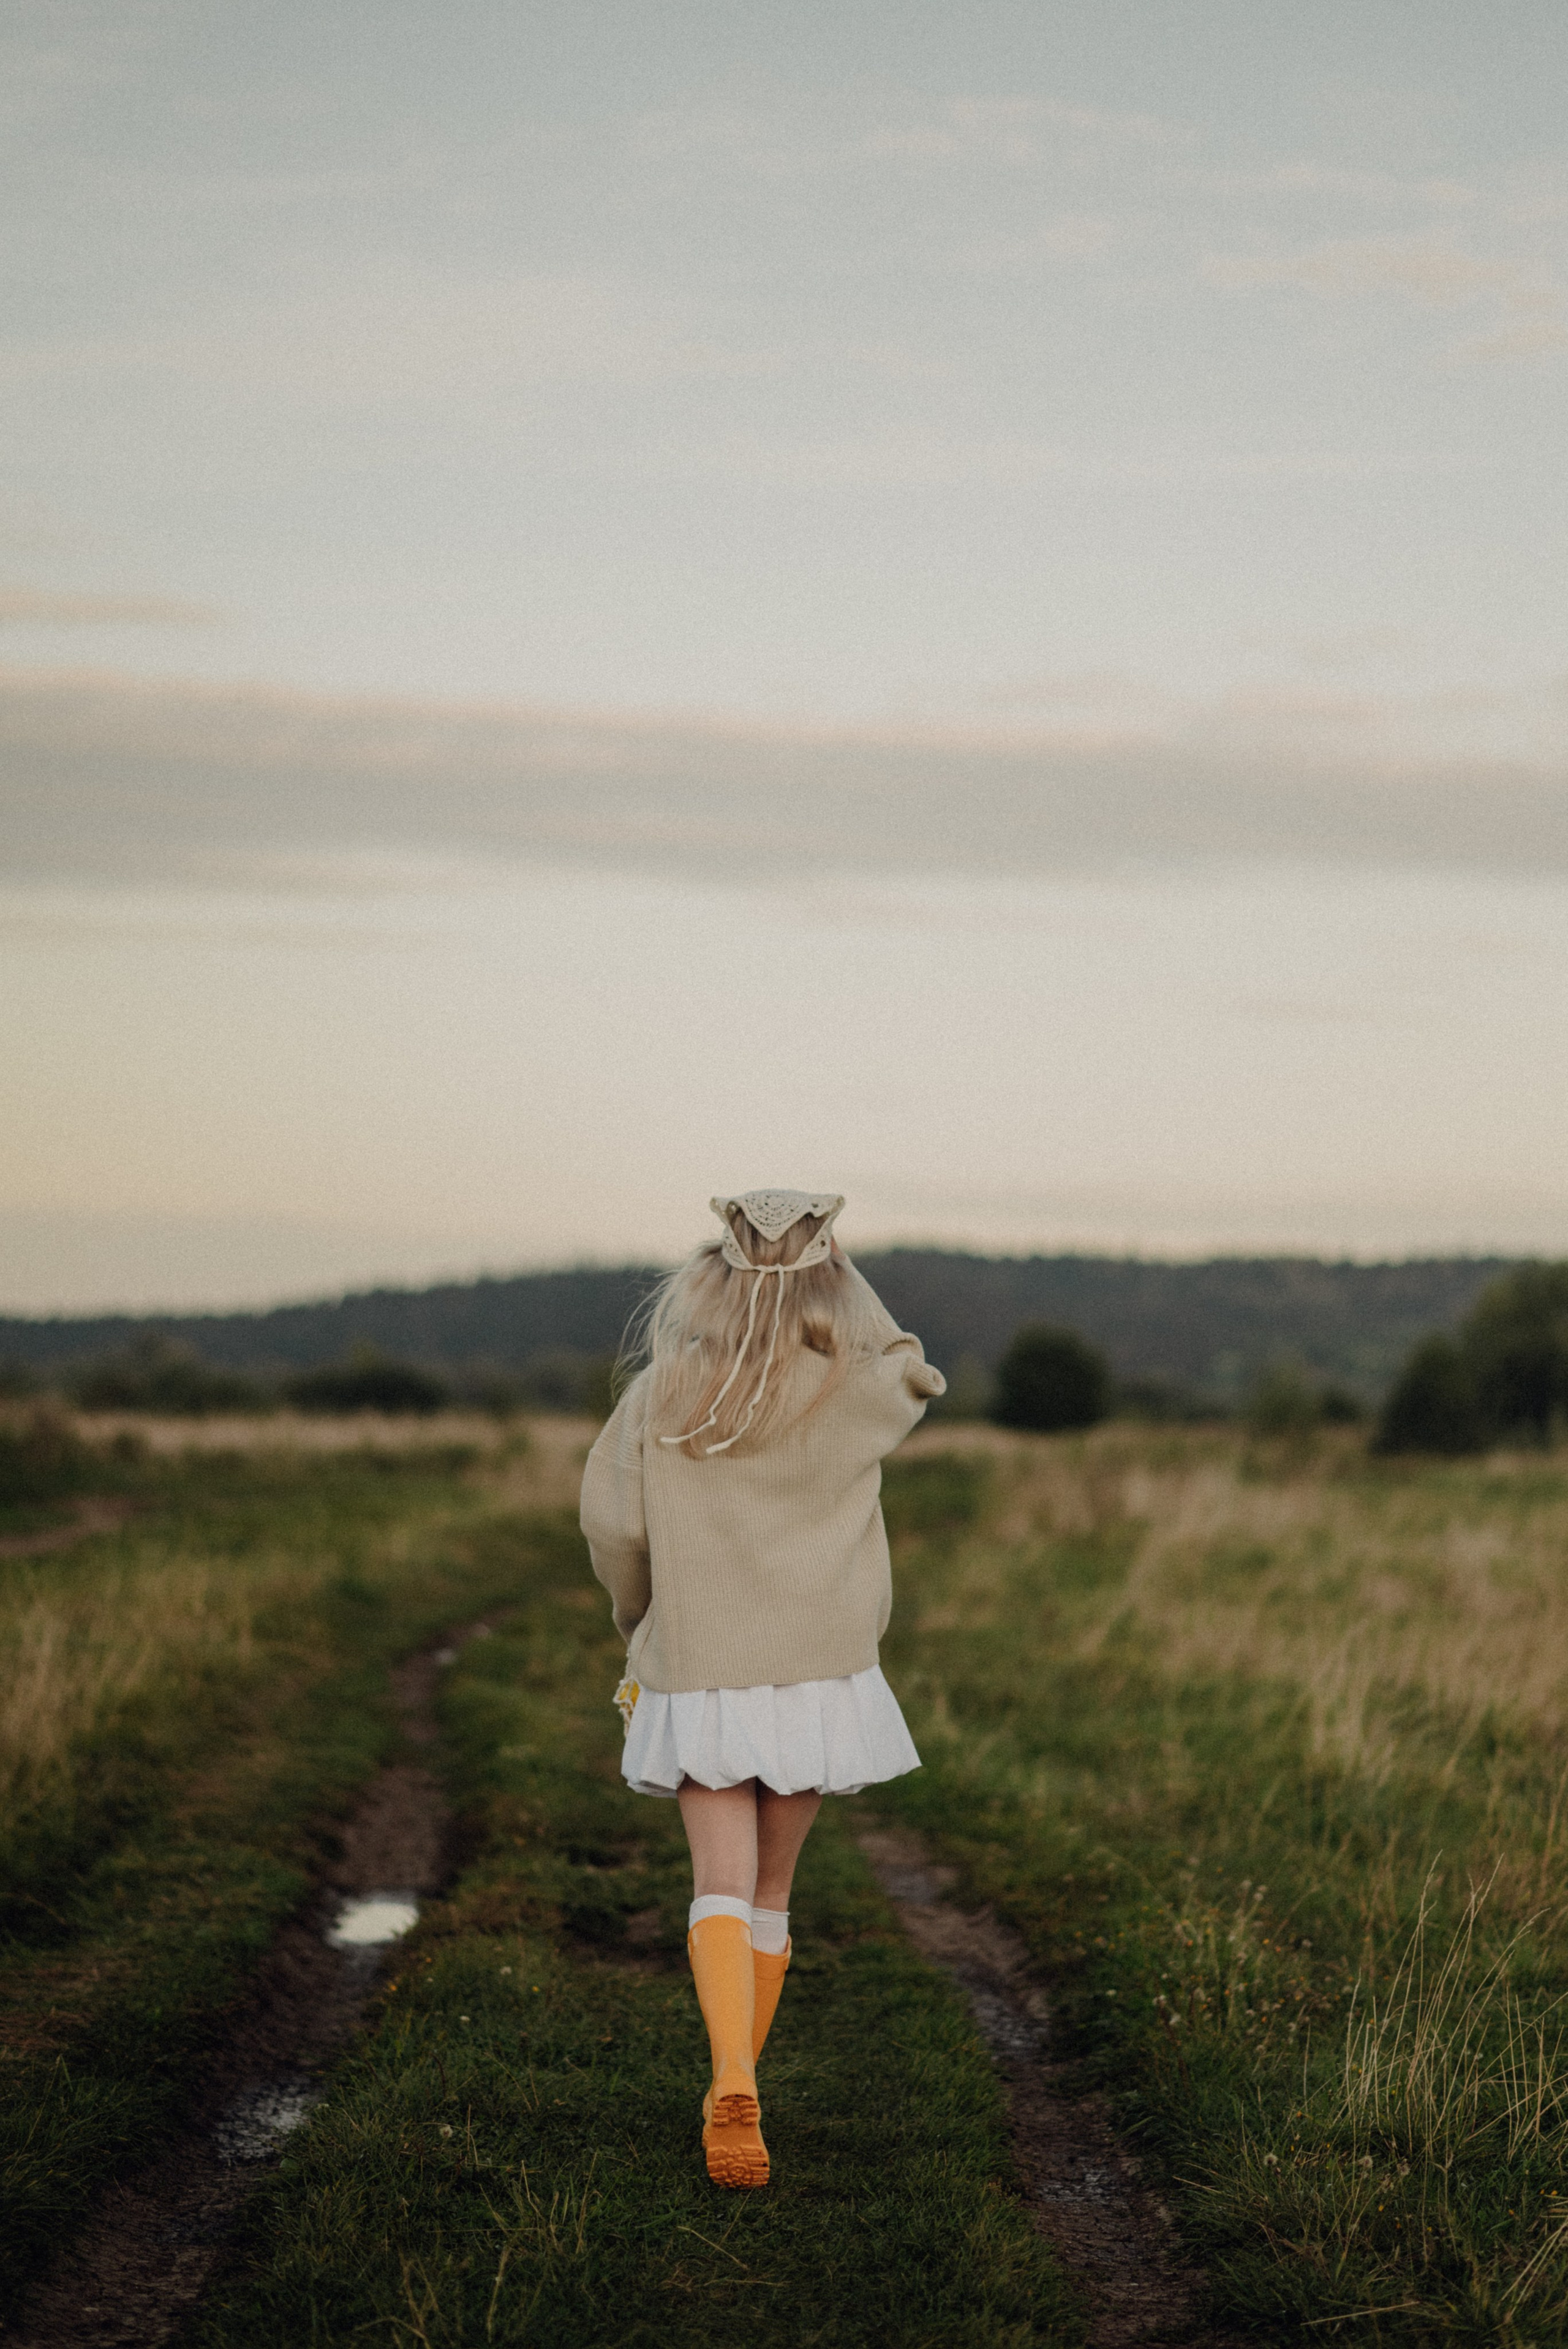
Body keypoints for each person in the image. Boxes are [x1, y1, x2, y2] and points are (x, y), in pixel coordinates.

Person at [580, 1188, 945, 2189]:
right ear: (831, 1283)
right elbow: (908, 1353)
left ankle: (730, 2076)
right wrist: (821, 1280)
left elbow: (612, 1528)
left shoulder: (662, 1395)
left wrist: (638, 1620)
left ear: (714, 1285)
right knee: (773, 1893)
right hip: (819, 1670)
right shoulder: (862, 1393)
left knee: (718, 1887)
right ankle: (735, 2092)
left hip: (703, 1668)